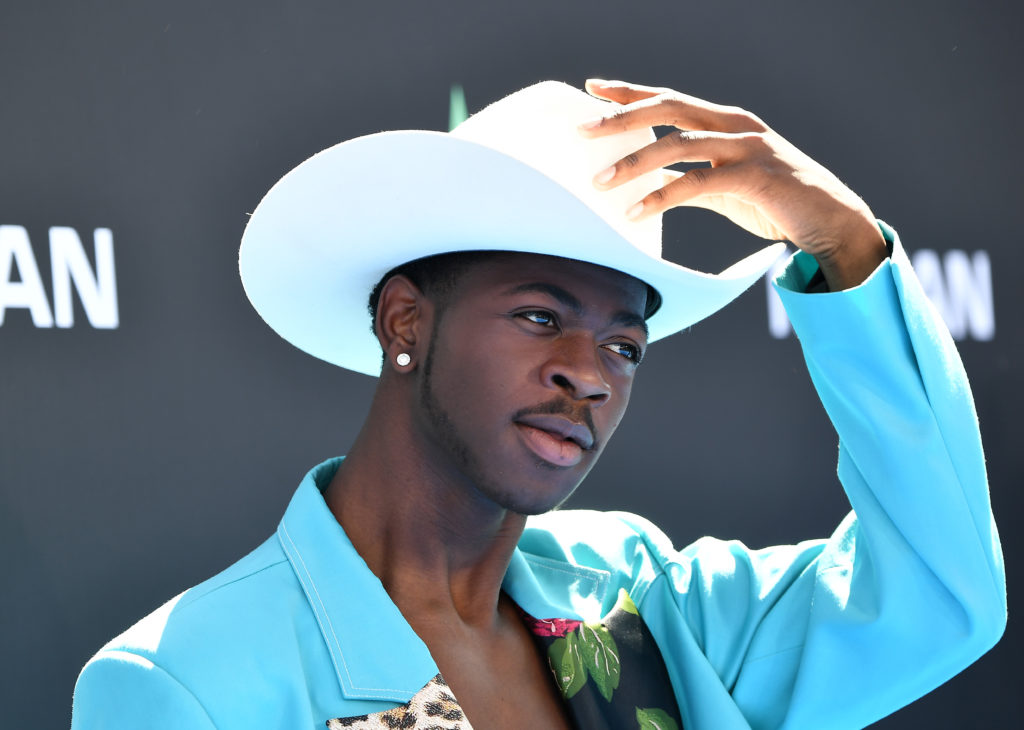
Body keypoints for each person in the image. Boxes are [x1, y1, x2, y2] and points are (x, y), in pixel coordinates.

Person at [71, 80, 1006, 729]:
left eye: (623, 345)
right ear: (405, 319)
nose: (589, 374)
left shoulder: (648, 605)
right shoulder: (185, 686)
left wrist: (843, 246)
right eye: (538, 315)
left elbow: (939, 588)